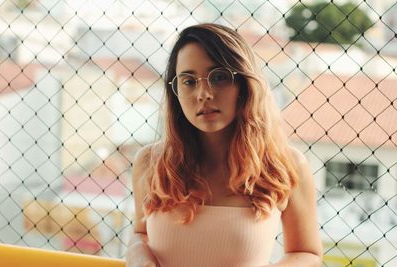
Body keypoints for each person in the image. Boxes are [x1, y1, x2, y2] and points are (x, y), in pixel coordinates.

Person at [126, 23, 322, 267]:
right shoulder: (151, 162)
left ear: (245, 84)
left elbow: (307, 253)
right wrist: (139, 258)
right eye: (189, 81)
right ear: (175, 92)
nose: (203, 94)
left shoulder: (285, 164)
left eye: (218, 77)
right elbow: (140, 233)